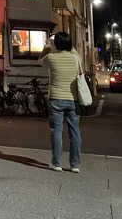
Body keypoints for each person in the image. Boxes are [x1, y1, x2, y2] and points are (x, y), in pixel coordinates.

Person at [39, 31, 82, 173]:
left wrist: (47, 45)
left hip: (56, 99)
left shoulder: (51, 58)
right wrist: (70, 45)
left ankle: (56, 163)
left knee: (56, 131)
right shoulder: (76, 58)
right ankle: (75, 165)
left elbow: (40, 60)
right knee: (75, 133)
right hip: (73, 100)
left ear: (56, 44)